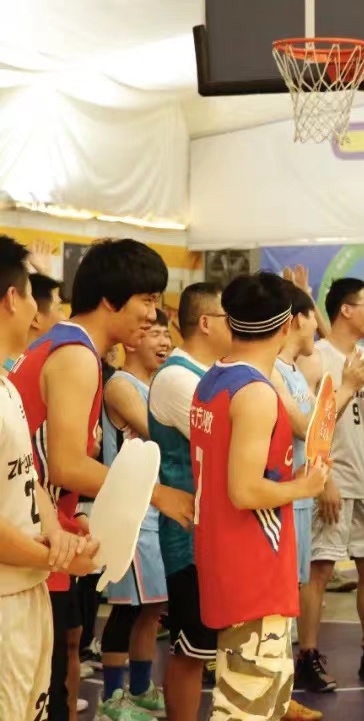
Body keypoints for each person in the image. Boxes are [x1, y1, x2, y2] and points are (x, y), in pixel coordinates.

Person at [9, 238, 190, 721]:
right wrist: (158, 494)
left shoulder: (68, 347)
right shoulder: (76, 355)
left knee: (53, 676)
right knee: (39, 692)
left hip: (43, 528)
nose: (152, 315)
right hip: (26, 537)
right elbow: (66, 464)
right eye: (147, 300)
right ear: (110, 299)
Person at [190, 272, 328, 721]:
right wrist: (303, 487)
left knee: (259, 703)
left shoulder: (213, 379)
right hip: (252, 565)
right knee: (246, 710)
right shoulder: (255, 393)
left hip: (227, 557)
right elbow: (244, 489)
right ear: (286, 325)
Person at [0, 236, 99, 721]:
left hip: (28, 590)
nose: (42, 314)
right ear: (13, 299)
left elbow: (27, 474)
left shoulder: (7, 386)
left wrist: (56, 531)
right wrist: (53, 556)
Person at [275, 282, 364, 696]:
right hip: (330, 481)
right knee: (318, 570)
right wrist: (325, 479)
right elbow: (310, 425)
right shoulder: (315, 358)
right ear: (345, 310)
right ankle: (307, 655)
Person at [149, 281, 233, 721]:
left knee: (225, 646)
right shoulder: (178, 378)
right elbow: (229, 441)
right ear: (205, 322)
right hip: (189, 534)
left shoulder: (216, 372)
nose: (236, 325)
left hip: (223, 529)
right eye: (228, 317)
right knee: (191, 649)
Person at [97, 308, 172, 719]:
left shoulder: (157, 385)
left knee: (151, 607)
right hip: (131, 515)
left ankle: (141, 689)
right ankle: (111, 699)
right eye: (154, 332)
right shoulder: (121, 385)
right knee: (126, 608)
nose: (164, 342)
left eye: (167, 334)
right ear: (132, 340)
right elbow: (161, 438)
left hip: (157, 510)